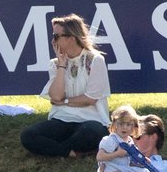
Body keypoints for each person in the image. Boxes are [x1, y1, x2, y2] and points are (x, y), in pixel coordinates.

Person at [20, 13, 111, 158]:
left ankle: (58, 148)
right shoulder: (55, 64)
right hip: (62, 119)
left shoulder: (95, 60)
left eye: (57, 36)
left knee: (93, 133)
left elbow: (90, 99)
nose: (53, 41)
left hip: (90, 120)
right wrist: (62, 65)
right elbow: (56, 96)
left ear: (71, 38)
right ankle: (71, 152)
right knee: (28, 135)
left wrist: (65, 101)